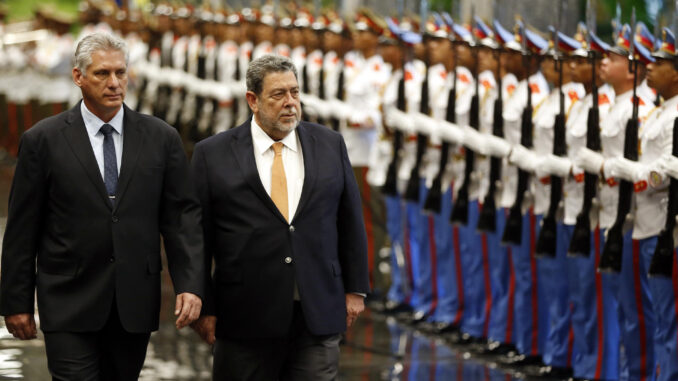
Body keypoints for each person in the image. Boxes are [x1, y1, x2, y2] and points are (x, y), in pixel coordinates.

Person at [0, 32, 205, 379]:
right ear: (78, 76)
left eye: (120, 73)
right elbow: (23, 228)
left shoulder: (160, 138)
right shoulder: (43, 140)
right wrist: (16, 302)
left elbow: (181, 219)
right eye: (102, 74)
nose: (114, 83)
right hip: (68, 300)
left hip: (133, 303)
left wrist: (190, 283)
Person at [190, 54, 370, 381]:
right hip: (244, 315)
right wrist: (203, 305)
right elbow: (197, 239)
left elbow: (350, 220)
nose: (290, 103)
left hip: (317, 309)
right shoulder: (212, 154)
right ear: (252, 100)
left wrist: (356, 289)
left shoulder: (329, 144)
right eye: (278, 94)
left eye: (295, 92)